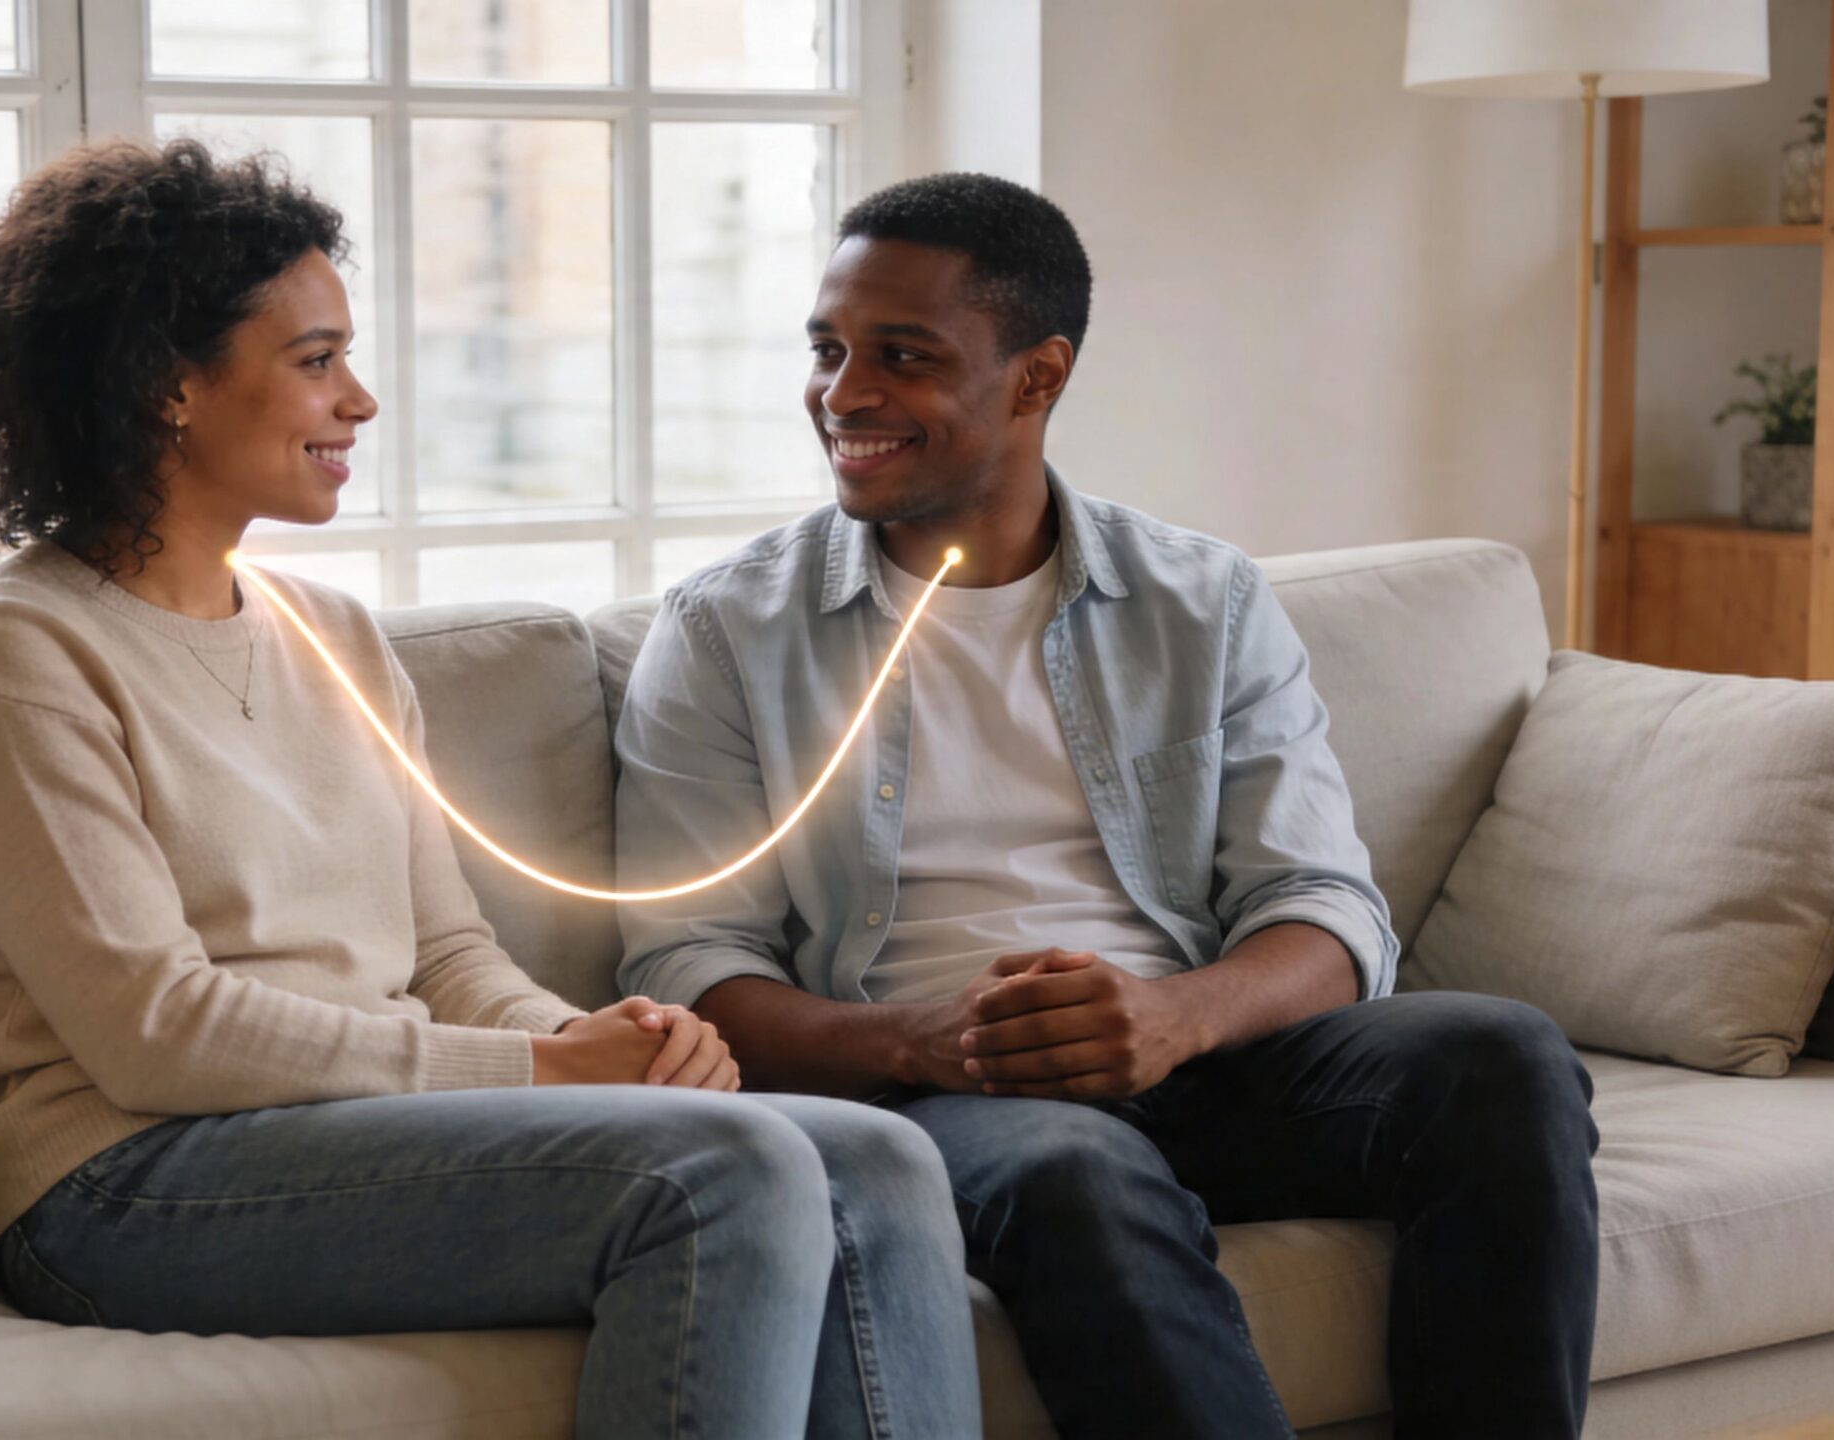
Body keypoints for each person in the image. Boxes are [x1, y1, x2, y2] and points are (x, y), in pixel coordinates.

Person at [0, 137, 980, 1440]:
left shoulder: (336, 637)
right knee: (720, 1174)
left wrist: (619, 1050)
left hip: (349, 1133)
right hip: (122, 1177)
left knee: (879, 1155)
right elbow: (156, 1031)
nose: (357, 401)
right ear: (167, 384)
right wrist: (546, 1067)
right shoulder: (14, 654)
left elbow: (451, 956)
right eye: (314, 361)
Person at [614, 171, 1601, 1438]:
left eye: (901, 358)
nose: (842, 394)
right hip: (940, 1101)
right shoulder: (724, 633)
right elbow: (687, 963)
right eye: (827, 350)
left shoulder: (1203, 600)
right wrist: (928, 1043)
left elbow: (1322, 903)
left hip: (1199, 1056)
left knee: (1501, 1055)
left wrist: (1171, 1017)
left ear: (1037, 377)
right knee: (1073, 1168)